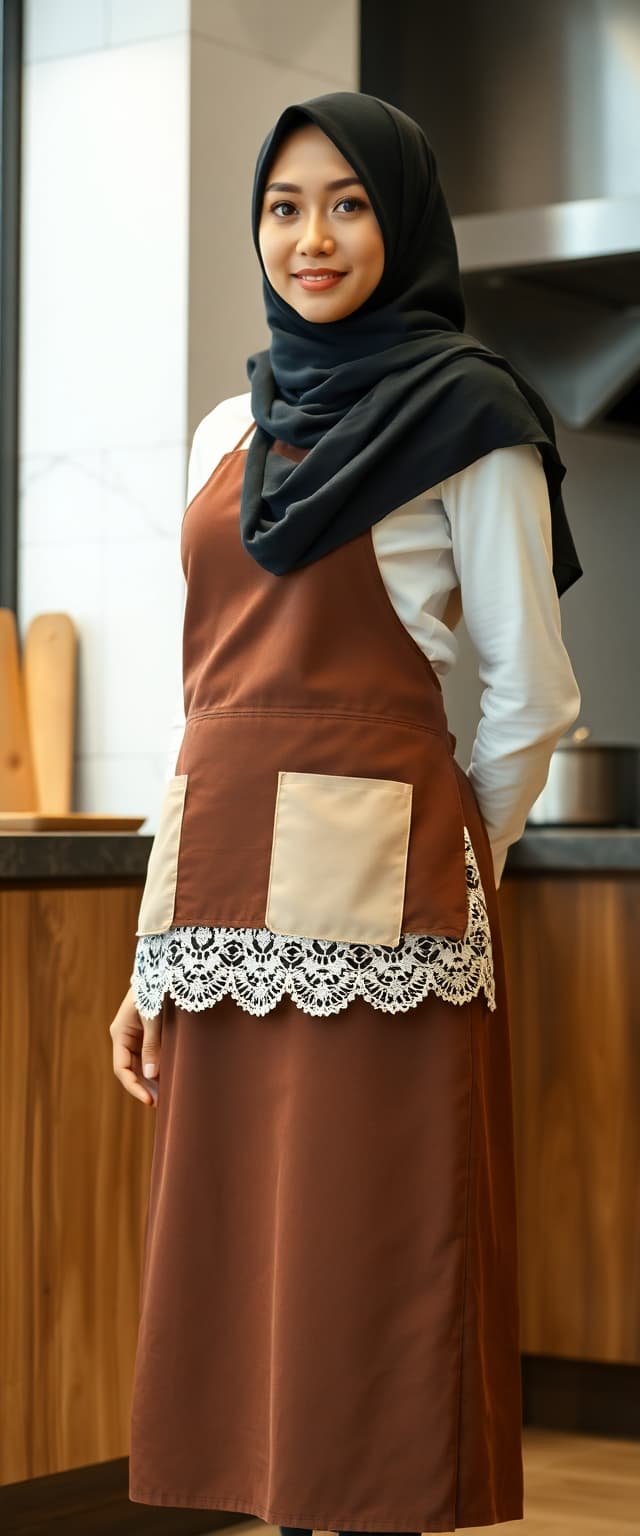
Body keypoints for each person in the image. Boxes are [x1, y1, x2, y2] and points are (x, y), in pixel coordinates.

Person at [110, 91, 582, 1533]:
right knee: (242, 1268)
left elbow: (529, 698)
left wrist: (448, 863)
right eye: (283, 206)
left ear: (404, 215)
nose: (311, 236)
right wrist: (148, 952)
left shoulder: (472, 413)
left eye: (349, 203)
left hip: (389, 907)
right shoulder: (221, 422)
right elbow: (200, 710)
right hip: (215, 897)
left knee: (364, 1255)